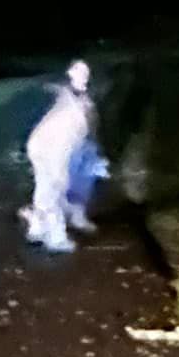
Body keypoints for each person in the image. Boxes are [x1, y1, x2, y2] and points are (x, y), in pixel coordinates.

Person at [20, 59, 109, 254]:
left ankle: (39, 225)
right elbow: (63, 145)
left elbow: (89, 128)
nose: (82, 75)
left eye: (85, 72)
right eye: (78, 70)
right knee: (54, 185)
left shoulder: (82, 102)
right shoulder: (71, 108)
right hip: (49, 147)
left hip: (49, 144)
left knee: (49, 187)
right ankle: (55, 237)